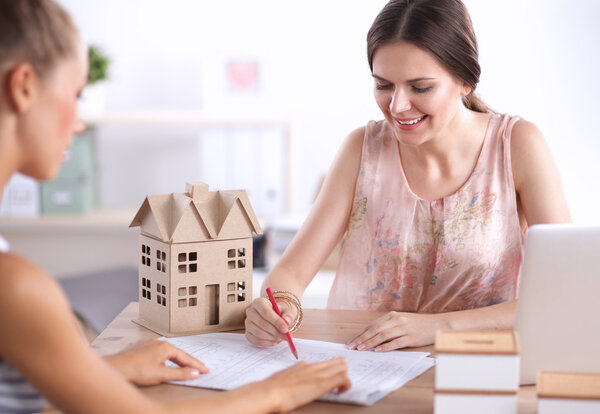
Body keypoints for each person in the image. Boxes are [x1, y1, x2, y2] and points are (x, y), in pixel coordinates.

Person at [0, 1, 350, 413]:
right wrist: (275, 392)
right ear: (23, 86)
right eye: (76, 94)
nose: (79, 122)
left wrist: (105, 371)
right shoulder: (16, 286)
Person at [245, 0, 571, 352]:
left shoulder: (517, 145)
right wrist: (279, 310)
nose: (398, 106)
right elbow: (289, 274)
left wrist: (437, 327)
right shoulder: (361, 149)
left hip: (476, 368)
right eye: (384, 85)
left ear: (464, 81)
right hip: (363, 367)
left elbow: (566, 288)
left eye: (420, 87)